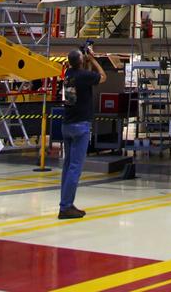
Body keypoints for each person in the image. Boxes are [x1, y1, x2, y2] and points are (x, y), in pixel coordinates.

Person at [59, 45, 104, 219]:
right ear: (81, 61)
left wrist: (85, 61)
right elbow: (102, 76)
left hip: (67, 125)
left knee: (67, 166)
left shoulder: (68, 75)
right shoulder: (83, 76)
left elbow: (87, 77)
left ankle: (65, 203)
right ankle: (66, 207)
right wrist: (92, 59)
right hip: (80, 127)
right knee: (75, 168)